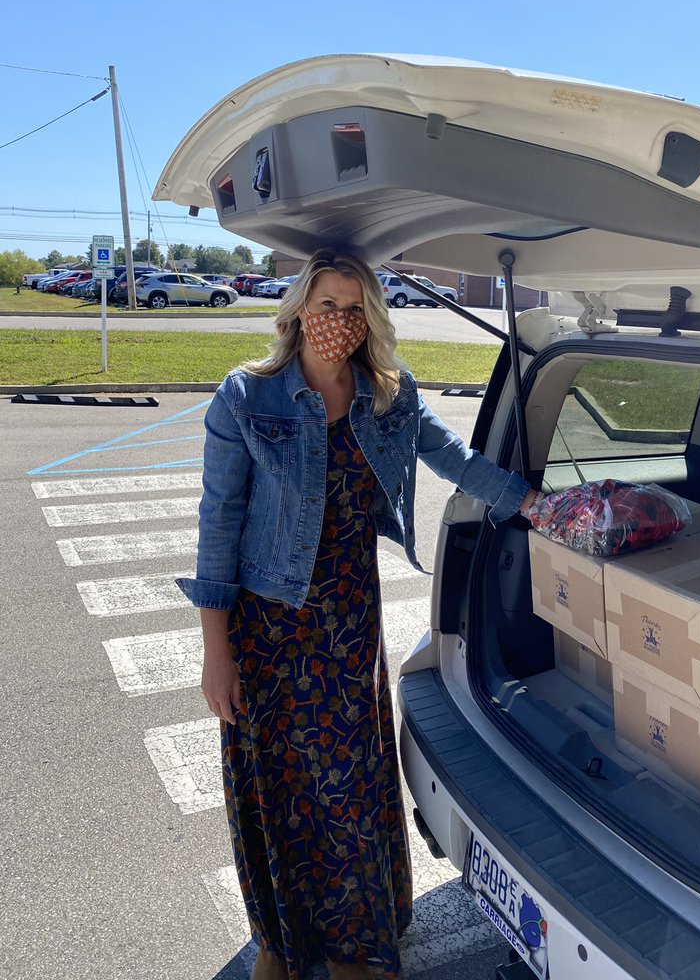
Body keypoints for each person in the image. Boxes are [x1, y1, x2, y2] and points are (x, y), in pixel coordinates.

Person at [177, 249, 539, 980]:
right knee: (274, 784)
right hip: (267, 624)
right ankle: (280, 941)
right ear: (298, 309)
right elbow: (217, 524)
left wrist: (535, 504)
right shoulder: (248, 397)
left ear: (369, 319)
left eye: (352, 308)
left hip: (345, 622)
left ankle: (353, 945)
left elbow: (458, 462)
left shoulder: (389, 396)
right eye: (324, 304)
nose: (335, 322)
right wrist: (215, 650)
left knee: (344, 788)